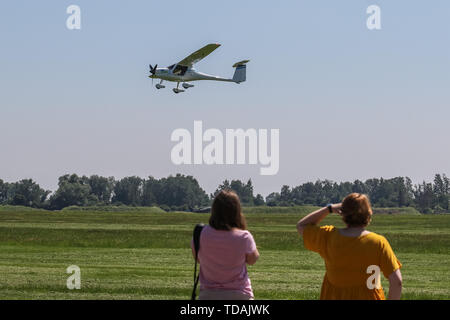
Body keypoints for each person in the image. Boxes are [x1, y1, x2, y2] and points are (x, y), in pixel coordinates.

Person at [296, 193, 402, 300]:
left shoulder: (328, 236)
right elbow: (397, 282)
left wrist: (329, 208)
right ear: (368, 214)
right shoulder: (378, 242)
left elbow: (301, 226)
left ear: (342, 213)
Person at [191, 190, 260, 300]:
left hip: (208, 294)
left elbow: (198, 259)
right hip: (239, 293)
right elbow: (252, 260)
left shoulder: (200, 234)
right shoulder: (244, 237)